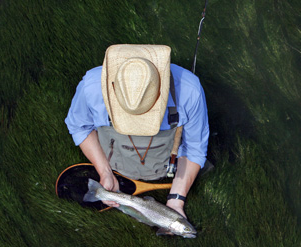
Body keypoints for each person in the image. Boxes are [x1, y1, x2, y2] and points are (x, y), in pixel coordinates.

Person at [65, 44, 209, 218]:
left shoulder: (189, 91)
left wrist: (176, 200)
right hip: (113, 167)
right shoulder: (91, 87)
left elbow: (195, 147)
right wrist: (105, 172)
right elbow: (79, 126)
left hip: (164, 169)